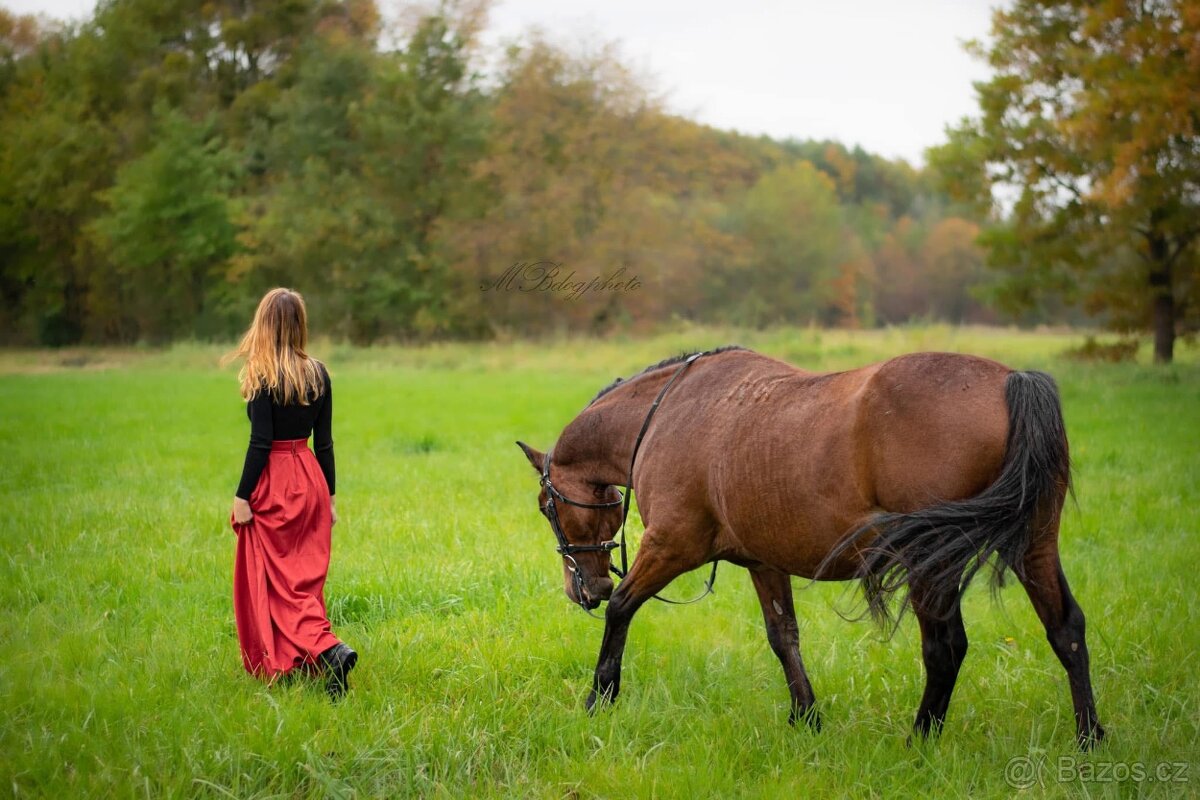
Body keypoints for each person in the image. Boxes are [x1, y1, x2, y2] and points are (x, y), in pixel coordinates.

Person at [223, 288, 357, 700]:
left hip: (277, 481)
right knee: (302, 578)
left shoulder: (262, 375)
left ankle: (328, 649)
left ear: (264, 323)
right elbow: (325, 443)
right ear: (299, 324)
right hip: (311, 478)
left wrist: (242, 496)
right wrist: (330, 498)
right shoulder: (319, 373)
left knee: (278, 580)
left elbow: (261, 442)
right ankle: (313, 658)